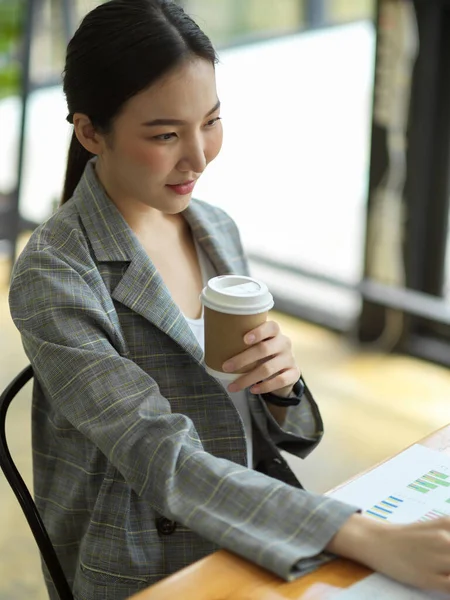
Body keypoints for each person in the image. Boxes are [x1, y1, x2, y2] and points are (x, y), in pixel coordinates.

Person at [8, 1, 450, 598]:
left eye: (210, 122)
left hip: (254, 528)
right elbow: (157, 455)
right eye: (165, 135)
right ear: (90, 132)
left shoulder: (214, 228)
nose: (199, 156)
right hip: (146, 566)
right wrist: (361, 534)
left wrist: (280, 386)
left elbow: (258, 433)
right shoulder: (55, 271)